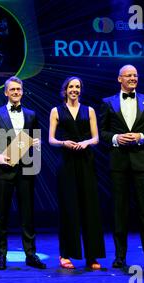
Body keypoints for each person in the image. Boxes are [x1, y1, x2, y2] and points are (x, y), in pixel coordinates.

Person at [100, 64, 144, 270]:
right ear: (120, 79)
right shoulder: (107, 102)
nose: (133, 78)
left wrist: (141, 136)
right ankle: (119, 257)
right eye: (129, 75)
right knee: (120, 211)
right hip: (119, 164)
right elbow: (102, 133)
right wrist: (117, 138)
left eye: (135, 75)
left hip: (142, 163)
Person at [0, 76, 46, 270]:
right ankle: (1, 254)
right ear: (6, 92)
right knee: (1, 214)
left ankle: (30, 253)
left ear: (22, 91)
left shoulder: (31, 114)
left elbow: (36, 138)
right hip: (3, 169)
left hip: (26, 170)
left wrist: (37, 143)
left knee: (27, 214)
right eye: (12, 90)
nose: (15, 92)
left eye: (18, 89)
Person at [48, 77, 106, 270]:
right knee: (68, 208)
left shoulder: (89, 110)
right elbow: (51, 139)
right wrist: (64, 143)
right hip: (66, 163)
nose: (75, 90)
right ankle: (65, 255)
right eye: (71, 87)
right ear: (65, 90)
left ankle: (92, 256)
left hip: (86, 161)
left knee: (90, 208)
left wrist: (86, 143)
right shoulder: (56, 111)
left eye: (78, 87)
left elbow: (96, 137)